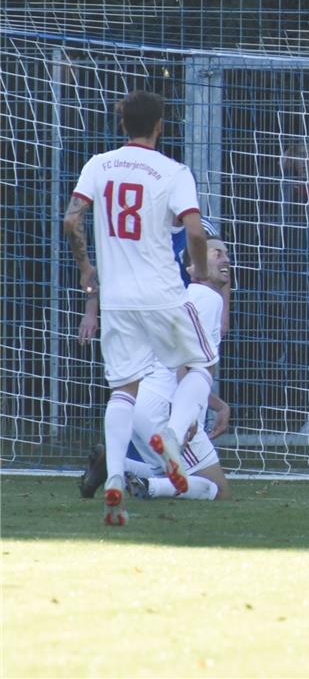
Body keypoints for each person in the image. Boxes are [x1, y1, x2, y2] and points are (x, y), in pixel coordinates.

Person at [64, 90, 218, 525]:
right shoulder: (173, 171)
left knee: (123, 391)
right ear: (160, 125)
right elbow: (195, 231)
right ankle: (170, 435)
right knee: (201, 365)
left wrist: (86, 267)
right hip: (163, 293)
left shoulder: (99, 165)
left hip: (117, 299)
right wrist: (200, 270)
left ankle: (115, 476)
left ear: (121, 123)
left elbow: (71, 219)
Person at [78, 238, 234, 502]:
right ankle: (149, 487)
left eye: (227, 254)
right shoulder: (207, 299)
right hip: (164, 408)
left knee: (161, 466)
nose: (226, 260)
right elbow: (188, 362)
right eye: (217, 253)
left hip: (141, 402)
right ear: (192, 268)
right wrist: (187, 418)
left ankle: (114, 464)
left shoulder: (181, 299)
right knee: (215, 490)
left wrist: (218, 405)